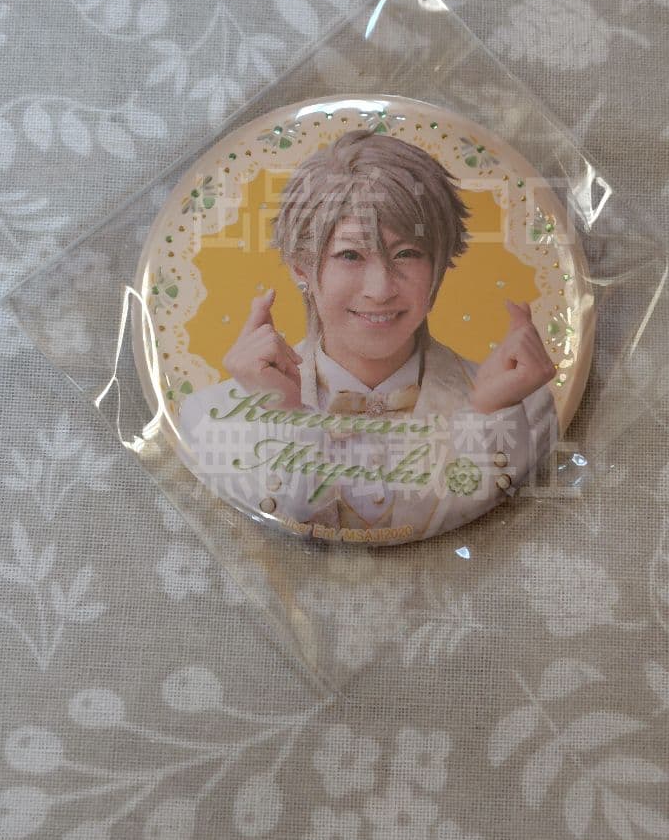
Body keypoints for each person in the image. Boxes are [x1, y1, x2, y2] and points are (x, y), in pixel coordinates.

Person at [178, 130, 558, 543]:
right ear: (300, 267)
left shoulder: (522, 409)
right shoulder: (211, 416)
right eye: (350, 255)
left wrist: (490, 414)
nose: (380, 290)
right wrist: (285, 418)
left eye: (407, 254)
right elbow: (261, 545)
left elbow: (500, 542)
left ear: (440, 264)